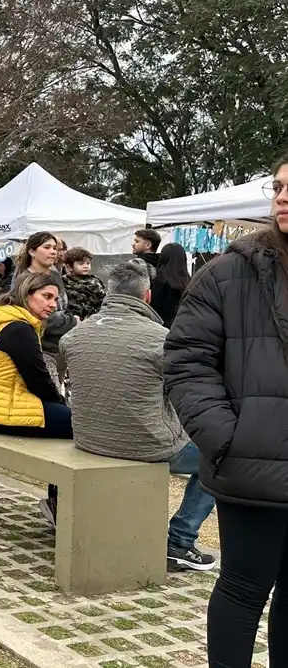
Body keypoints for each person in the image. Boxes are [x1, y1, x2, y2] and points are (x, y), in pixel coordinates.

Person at [164, 153, 288, 666]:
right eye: (278, 187)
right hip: (252, 465)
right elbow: (186, 361)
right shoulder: (230, 272)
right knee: (243, 587)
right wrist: (229, 439)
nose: (283, 197)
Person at [60, 260, 215, 570]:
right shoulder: (162, 338)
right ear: (147, 296)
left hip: (88, 438)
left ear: (108, 293)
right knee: (219, 461)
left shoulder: (74, 335)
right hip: (146, 444)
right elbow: (188, 395)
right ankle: (180, 541)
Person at [0, 272, 68, 525]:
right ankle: (59, 504)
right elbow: (39, 380)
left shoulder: (2, 317)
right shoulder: (19, 328)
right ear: (27, 295)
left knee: (63, 418)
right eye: (46, 297)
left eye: (55, 299)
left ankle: (57, 501)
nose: (52, 304)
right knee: (80, 425)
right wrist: (61, 405)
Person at [13, 232, 76, 392]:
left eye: (55, 248)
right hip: (41, 347)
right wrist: (72, 321)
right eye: (47, 247)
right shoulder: (24, 279)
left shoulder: (55, 274)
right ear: (32, 251)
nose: (53, 252)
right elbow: (33, 317)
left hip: (60, 345)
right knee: (49, 394)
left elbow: (63, 305)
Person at [150, 242, 189, 328]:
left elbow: (153, 310)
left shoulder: (160, 282)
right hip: (184, 327)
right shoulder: (190, 282)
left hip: (162, 328)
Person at [62, 247, 106, 321]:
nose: (86, 266)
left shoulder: (94, 282)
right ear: (69, 267)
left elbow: (101, 302)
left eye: (88, 263)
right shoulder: (63, 281)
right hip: (70, 319)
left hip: (91, 319)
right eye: (81, 264)